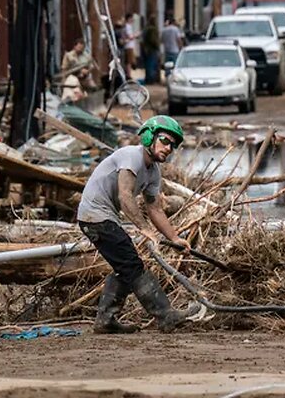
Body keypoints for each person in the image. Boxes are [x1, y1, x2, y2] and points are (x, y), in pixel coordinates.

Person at [77, 115, 200, 333]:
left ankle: (106, 321)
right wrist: (145, 229)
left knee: (125, 266)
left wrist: (174, 238)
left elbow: (155, 208)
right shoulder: (131, 157)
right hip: (94, 216)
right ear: (148, 137)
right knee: (132, 266)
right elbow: (125, 197)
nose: (169, 148)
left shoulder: (153, 171)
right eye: (164, 140)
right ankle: (165, 315)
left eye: (173, 145)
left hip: (105, 217)